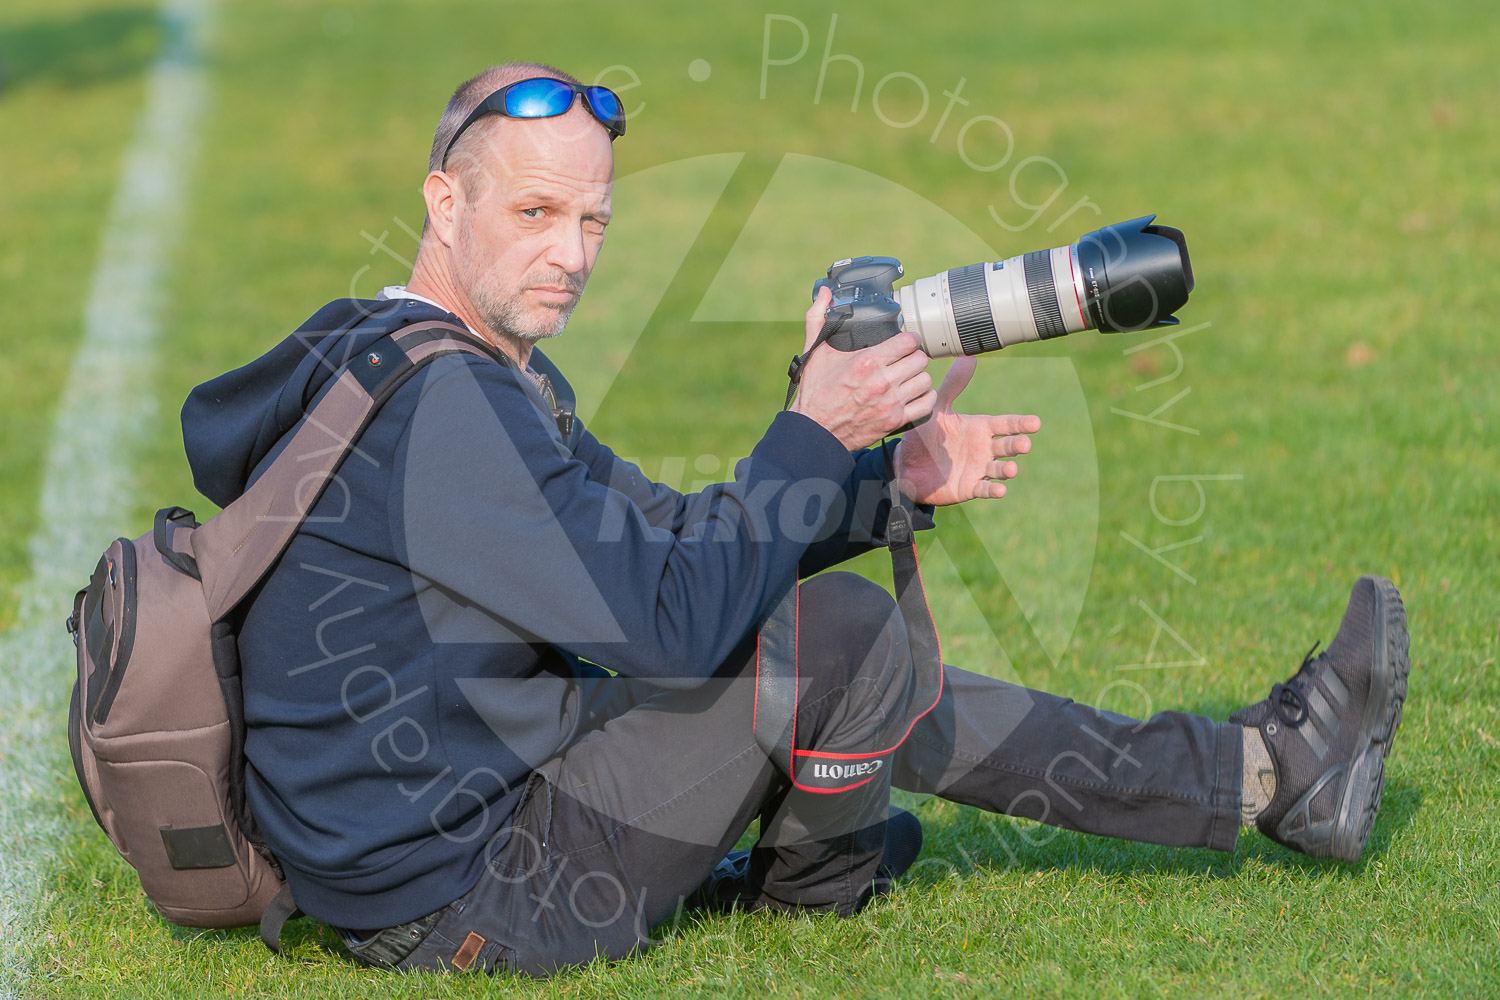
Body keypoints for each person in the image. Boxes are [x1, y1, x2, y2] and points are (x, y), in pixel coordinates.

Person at [181, 62, 1411, 977]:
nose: (572, 254)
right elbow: (666, 625)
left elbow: (665, 539)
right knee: (840, 639)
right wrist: (816, 427)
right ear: (445, 204)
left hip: (425, 836)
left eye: (594, 219)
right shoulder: (446, 407)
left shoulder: (415, 359)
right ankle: (1258, 780)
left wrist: (882, 484)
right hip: (465, 895)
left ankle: (1228, 778)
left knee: (812, 630)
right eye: (534, 215)